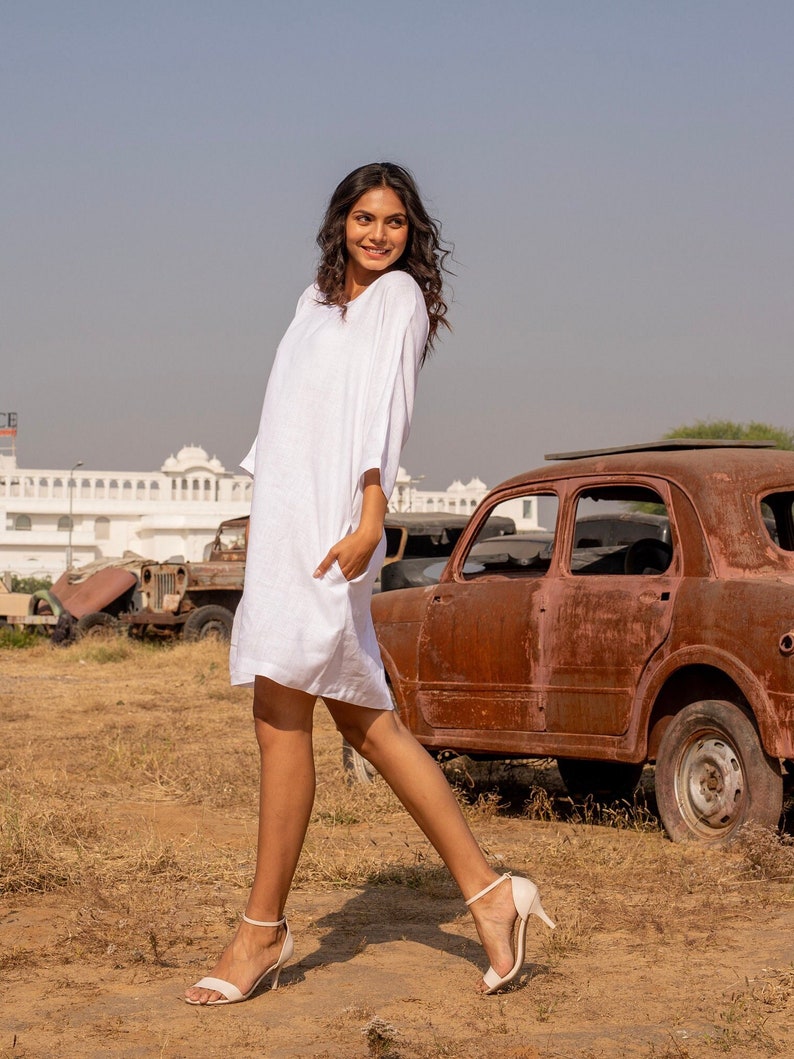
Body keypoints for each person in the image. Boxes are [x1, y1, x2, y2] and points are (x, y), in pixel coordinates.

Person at [184, 162, 554, 1006]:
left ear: (411, 230)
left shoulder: (398, 302)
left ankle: (260, 931)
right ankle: (494, 895)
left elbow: (386, 407)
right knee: (368, 724)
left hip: (335, 523)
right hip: (288, 517)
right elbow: (288, 407)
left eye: (393, 220)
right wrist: (265, 513)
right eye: (363, 216)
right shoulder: (316, 300)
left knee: (280, 710)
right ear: (339, 221)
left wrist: (371, 515)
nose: (377, 233)